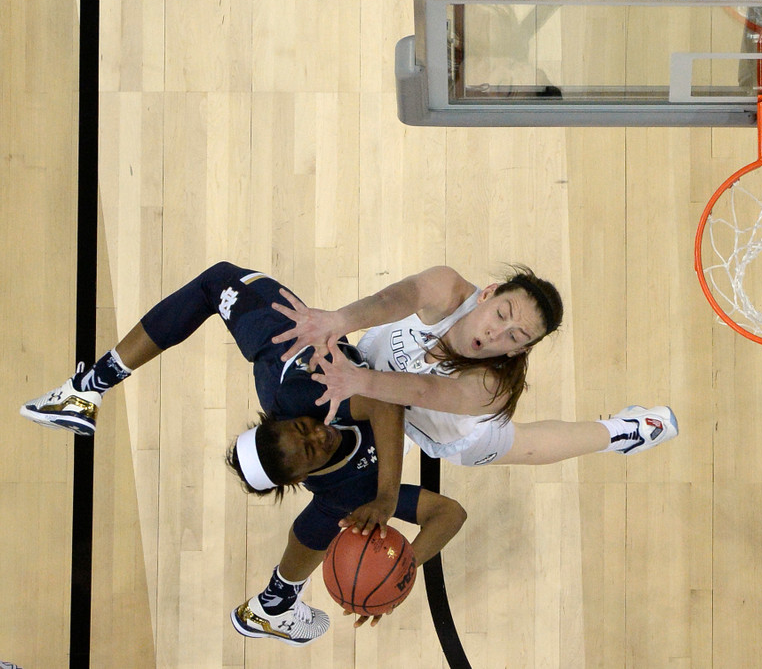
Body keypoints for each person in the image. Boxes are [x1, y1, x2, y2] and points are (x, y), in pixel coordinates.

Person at [20, 262, 467, 644]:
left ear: (281, 418)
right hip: (420, 391)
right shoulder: (345, 494)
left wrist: (387, 496)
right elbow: (450, 514)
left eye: (304, 430)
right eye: (311, 451)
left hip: (300, 352)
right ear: (300, 479)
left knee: (217, 281)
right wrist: (401, 569)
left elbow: (383, 404)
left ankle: (87, 388)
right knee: (335, 512)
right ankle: (275, 604)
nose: (320, 436)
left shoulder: (298, 391)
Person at [269, 264, 678, 468]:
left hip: (436, 426)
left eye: (516, 337)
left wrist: (357, 379)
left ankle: (623, 432)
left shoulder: (491, 387)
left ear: (520, 351)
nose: (499, 335)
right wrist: (339, 320)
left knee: (529, 447)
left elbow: (422, 392)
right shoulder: (448, 288)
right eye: (502, 314)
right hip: (370, 377)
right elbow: (394, 297)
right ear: (489, 293)